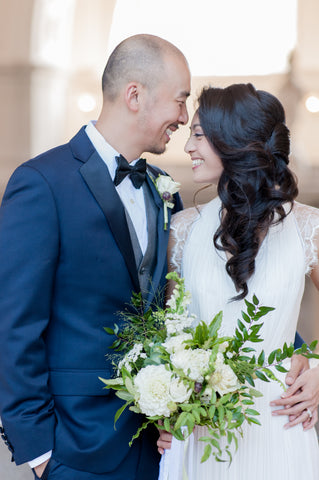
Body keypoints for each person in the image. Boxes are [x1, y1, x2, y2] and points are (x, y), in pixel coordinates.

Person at [0, 34, 191, 480]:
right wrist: (41, 453)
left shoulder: (164, 190)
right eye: (180, 100)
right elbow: (13, 325)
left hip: (159, 445)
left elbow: (188, 297)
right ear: (134, 95)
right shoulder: (41, 184)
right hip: (76, 448)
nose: (184, 117)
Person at [158, 83, 319, 479]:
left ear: (233, 140)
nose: (188, 148)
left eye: (197, 134)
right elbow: (169, 332)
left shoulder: (308, 228)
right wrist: (163, 407)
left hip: (281, 423)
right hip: (198, 430)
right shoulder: (182, 230)